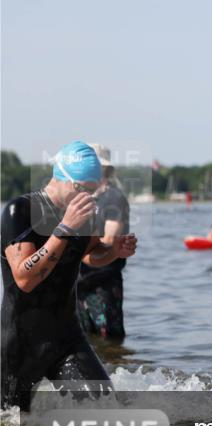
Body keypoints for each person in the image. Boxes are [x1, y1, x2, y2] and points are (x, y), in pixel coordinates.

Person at [2, 141, 137, 410]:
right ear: (65, 180)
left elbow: (90, 254)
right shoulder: (21, 211)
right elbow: (24, 278)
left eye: (93, 190)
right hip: (19, 343)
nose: (89, 197)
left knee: (108, 412)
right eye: (84, 190)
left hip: (66, 337)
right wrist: (64, 228)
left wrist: (114, 251)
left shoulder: (85, 214)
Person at [76, 144, 131, 341]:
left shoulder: (113, 198)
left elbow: (109, 239)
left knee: (110, 339)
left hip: (104, 281)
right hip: (80, 281)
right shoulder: (86, 199)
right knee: (83, 339)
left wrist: (73, 251)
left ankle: (116, 369)